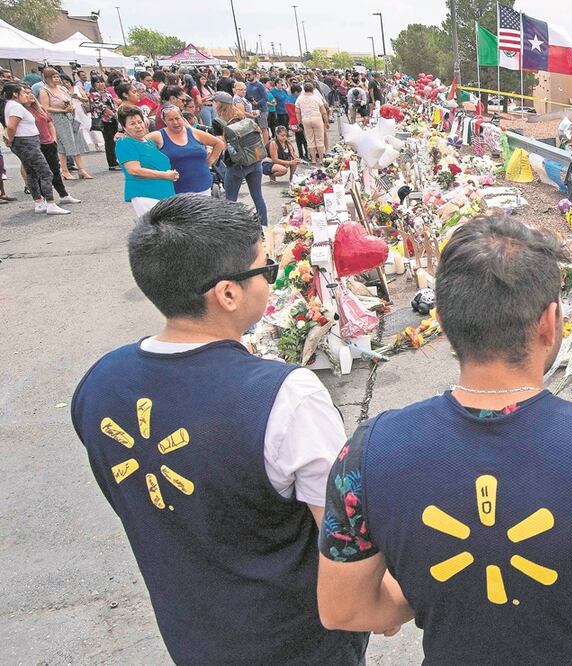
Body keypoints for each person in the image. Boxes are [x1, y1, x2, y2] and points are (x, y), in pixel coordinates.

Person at [317, 216, 572, 663]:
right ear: (549, 323)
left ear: (441, 321)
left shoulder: (368, 452)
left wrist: (415, 595)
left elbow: (343, 607)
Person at [71, 194, 370, 665]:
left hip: (190, 631)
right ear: (227, 293)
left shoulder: (100, 382)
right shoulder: (285, 397)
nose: (271, 279)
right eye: (265, 270)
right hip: (292, 639)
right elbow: (339, 538)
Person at [2, 83, 70, 214]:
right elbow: (11, 127)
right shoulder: (15, 106)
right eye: (24, 93)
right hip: (26, 142)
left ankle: (39, 202)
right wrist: (10, 140)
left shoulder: (12, 106)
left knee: (32, 172)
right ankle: (50, 203)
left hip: (27, 141)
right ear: (15, 94)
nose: (27, 95)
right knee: (46, 172)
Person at [212, 91, 268, 226]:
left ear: (219, 103)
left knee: (231, 200)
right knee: (257, 195)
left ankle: (234, 229)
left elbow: (221, 144)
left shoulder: (218, 121)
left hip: (236, 164)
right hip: (254, 160)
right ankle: (265, 226)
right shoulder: (241, 115)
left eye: (214, 102)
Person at [115, 104, 178, 218]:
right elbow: (134, 170)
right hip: (145, 193)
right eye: (132, 124)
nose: (138, 126)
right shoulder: (125, 143)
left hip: (165, 192)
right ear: (124, 127)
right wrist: (165, 175)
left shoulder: (148, 141)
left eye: (140, 122)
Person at [25, 95, 82, 205]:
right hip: (36, 144)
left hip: (49, 142)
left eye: (30, 93)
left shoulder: (39, 108)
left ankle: (63, 194)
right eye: (26, 93)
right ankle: (44, 199)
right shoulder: (24, 111)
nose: (30, 95)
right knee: (40, 172)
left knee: (55, 169)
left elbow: (49, 122)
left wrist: (53, 139)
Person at [156, 104, 224, 195]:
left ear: (182, 118)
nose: (175, 122)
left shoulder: (193, 132)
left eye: (177, 118)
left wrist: (210, 160)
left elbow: (219, 143)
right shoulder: (158, 136)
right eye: (170, 120)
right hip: (177, 189)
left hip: (203, 184)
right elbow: (140, 143)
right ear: (164, 121)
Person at [37, 68, 92, 180]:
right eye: (54, 76)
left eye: (57, 76)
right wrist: (62, 110)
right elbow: (45, 108)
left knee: (75, 141)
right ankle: (66, 170)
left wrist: (70, 107)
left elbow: (70, 100)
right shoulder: (44, 91)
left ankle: (80, 169)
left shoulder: (62, 88)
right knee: (64, 144)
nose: (57, 79)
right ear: (47, 78)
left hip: (70, 117)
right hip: (57, 119)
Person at [89, 76, 118, 169]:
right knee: (109, 142)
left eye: (102, 81)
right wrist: (114, 115)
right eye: (97, 82)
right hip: (105, 120)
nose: (101, 84)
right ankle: (112, 163)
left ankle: (115, 160)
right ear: (94, 84)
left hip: (112, 119)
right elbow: (102, 107)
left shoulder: (106, 92)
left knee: (113, 141)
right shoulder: (94, 94)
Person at [295, 82, 326, 161]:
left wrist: (299, 122)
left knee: (310, 140)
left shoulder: (300, 98)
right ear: (313, 89)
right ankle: (322, 159)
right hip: (316, 118)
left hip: (306, 119)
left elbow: (297, 111)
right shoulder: (316, 98)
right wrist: (326, 121)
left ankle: (313, 159)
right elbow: (323, 111)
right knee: (319, 139)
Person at [246, 69, 270, 143]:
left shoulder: (259, 85)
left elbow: (265, 98)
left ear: (254, 75)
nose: (247, 76)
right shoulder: (247, 84)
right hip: (251, 111)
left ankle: (266, 145)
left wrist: (258, 103)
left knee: (263, 128)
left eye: (249, 75)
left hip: (261, 110)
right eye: (246, 75)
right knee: (254, 129)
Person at [286, 83, 307, 161]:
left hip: (292, 121)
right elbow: (299, 111)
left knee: (298, 139)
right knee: (304, 140)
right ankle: (306, 155)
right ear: (296, 92)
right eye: (299, 92)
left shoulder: (287, 98)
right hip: (299, 121)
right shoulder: (297, 100)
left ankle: (301, 154)